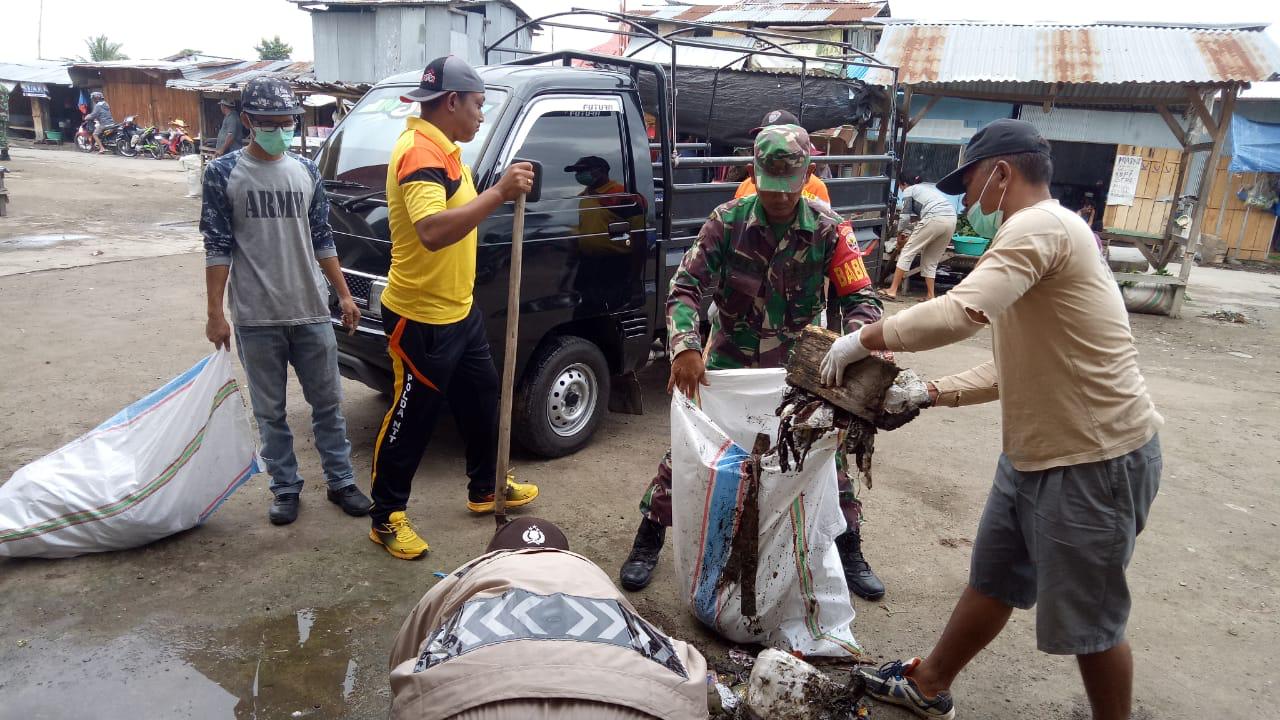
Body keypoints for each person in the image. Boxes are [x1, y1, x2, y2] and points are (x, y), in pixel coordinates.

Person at [820, 119, 1162, 720]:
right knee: (994, 578)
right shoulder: (1038, 239)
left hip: (1093, 458)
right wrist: (927, 392)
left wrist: (864, 340)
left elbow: (959, 313)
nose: (967, 201)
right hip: (1033, 453)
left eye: (972, 183)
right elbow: (1006, 371)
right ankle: (929, 686)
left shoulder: (1041, 225)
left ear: (1002, 173)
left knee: (1092, 622)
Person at [619, 124, 887, 601]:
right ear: (753, 173)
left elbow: (861, 298)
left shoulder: (829, 229)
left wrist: (854, 348)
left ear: (808, 174)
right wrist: (683, 345)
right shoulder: (729, 220)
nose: (780, 197)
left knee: (829, 457)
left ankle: (850, 548)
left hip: (800, 366)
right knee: (692, 452)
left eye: (790, 186)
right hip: (729, 361)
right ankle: (649, 539)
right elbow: (685, 288)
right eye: (770, 186)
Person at [367, 55, 538, 561]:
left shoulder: (444, 149)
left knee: (482, 398)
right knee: (412, 418)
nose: (481, 116)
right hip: (420, 319)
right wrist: (501, 194)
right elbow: (433, 231)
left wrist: (493, 193)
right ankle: (386, 516)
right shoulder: (419, 152)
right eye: (479, 105)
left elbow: (454, 211)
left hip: (458, 312)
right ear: (452, 101)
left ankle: (486, 487)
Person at [201, 76, 372, 526]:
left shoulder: (306, 170)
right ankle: (285, 488)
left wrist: (343, 294)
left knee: (329, 405)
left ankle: (341, 482)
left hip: (312, 310)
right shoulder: (222, 174)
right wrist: (215, 313)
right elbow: (217, 246)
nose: (283, 131)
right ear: (249, 122)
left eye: (288, 123)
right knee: (270, 412)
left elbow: (322, 238)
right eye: (273, 123)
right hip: (257, 317)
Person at [388, 517, 709, 719]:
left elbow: (404, 656)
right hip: (648, 703)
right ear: (566, 555)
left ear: (492, 557)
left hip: (458, 703)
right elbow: (670, 658)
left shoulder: (467, 575)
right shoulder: (592, 577)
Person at [882, 175, 958, 302]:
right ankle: (930, 295)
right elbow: (919, 219)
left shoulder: (909, 190)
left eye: (900, 187)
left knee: (907, 251)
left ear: (903, 184)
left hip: (934, 217)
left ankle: (892, 290)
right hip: (951, 219)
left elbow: (905, 217)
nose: (901, 190)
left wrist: (900, 234)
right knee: (930, 259)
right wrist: (906, 233)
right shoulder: (927, 189)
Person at [733, 109, 831, 205]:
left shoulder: (815, 187)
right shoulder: (746, 186)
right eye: (764, 136)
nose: (771, 144)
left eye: (779, 136)